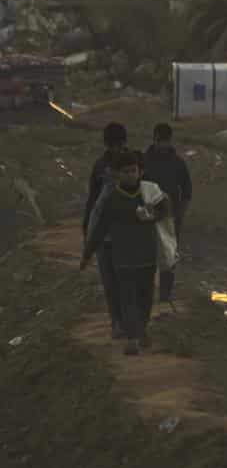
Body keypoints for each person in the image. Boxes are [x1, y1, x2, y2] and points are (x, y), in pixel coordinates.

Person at [81, 150, 168, 355]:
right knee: (127, 298)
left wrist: (151, 214)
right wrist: (87, 253)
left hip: (147, 256)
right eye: (126, 172)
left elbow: (166, 210)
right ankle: (133, 338)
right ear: (117, 174)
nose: (130, 175)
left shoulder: (149, 194)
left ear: (140, 172)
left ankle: (141, 329)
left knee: (145, 298)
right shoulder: (112, 199)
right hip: (123, 258)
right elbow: (100, 229)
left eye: (133, 171)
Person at [84, 122, 129, 338]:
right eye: (113, 146)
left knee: (128, 280)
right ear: (107, 145)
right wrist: (87, 230)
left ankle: (131, 322)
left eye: (120, 145)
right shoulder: (100, 166)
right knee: (110, 281)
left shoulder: (134, 164)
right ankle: (116, 322)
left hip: (129, 232)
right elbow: (92, 200)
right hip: (104, 234)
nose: (117, 150)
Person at [145, 123, 192, 305]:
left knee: (168, 256)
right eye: (159, 141)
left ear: (169, 141)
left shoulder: (178, 163)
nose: (162, 145)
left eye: (165, 141)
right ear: (154, 139)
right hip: (146, 215)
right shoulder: (143, 160)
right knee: (146, 256)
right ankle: (146, 293)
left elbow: (187, 192)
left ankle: (165, 296)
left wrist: (180, 215)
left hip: (170, 217)